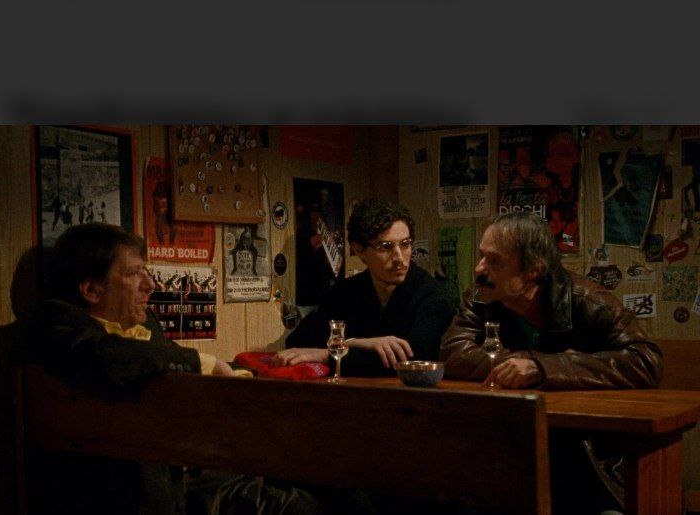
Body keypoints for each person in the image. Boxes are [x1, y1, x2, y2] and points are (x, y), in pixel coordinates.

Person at [439, 211, 663, 514]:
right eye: (481, 256)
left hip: (586, 457)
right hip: (510, 448)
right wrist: (523, 363)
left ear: (534, 269)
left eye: (494, 261)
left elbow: (646, 360)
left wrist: (542, 368)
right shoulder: (482, 295)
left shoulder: (586, 299)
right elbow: (453, 354)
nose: (479, 268)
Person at [23, 223, 234, 515]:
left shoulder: (144, 324)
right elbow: (107, 357)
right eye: (134, 273)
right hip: (118, 500)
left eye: (145, 271)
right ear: (92, 290)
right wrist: (203, 362)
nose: (151, 284)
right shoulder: (54, 323)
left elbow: (165, 358)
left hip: (181, 482)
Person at [275, 198, 455, 377]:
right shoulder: (347, 291)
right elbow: (298, 344)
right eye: (386, 247)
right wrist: (358, 343)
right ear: (359, 250)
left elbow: (413, 361)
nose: (399, 258)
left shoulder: (432, 296)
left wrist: (328, 355)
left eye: (405, 244)